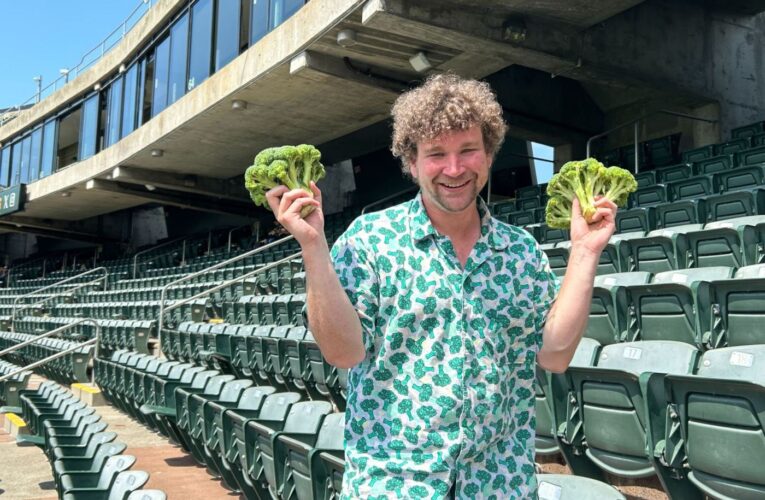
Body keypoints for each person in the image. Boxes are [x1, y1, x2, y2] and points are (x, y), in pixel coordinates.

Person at [266, 74, 617, 499]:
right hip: (395, 485)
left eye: (468, 150)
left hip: (498, 484)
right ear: (411, 162)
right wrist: (313, 245)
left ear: (488, 155)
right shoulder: (370, 241)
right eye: (436, 154)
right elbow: (344, 352)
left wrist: (585, 251)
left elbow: (555, 355)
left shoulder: (520, 251)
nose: (454, 169)